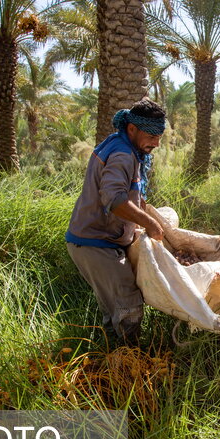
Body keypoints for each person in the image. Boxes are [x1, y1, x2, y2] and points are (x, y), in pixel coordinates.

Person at [65, 98, 166, 344]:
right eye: (151, 135)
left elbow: (132, 194)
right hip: (94, 242)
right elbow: (114, 199)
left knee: (114, 306)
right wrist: (151, 225)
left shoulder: (123, 145)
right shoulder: (122, 153)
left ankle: (110, 352)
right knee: (126, 299)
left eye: (159, 136)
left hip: (102, 240)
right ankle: (128, 358)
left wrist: (150, 218)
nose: (156, 142)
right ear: (132, 129)